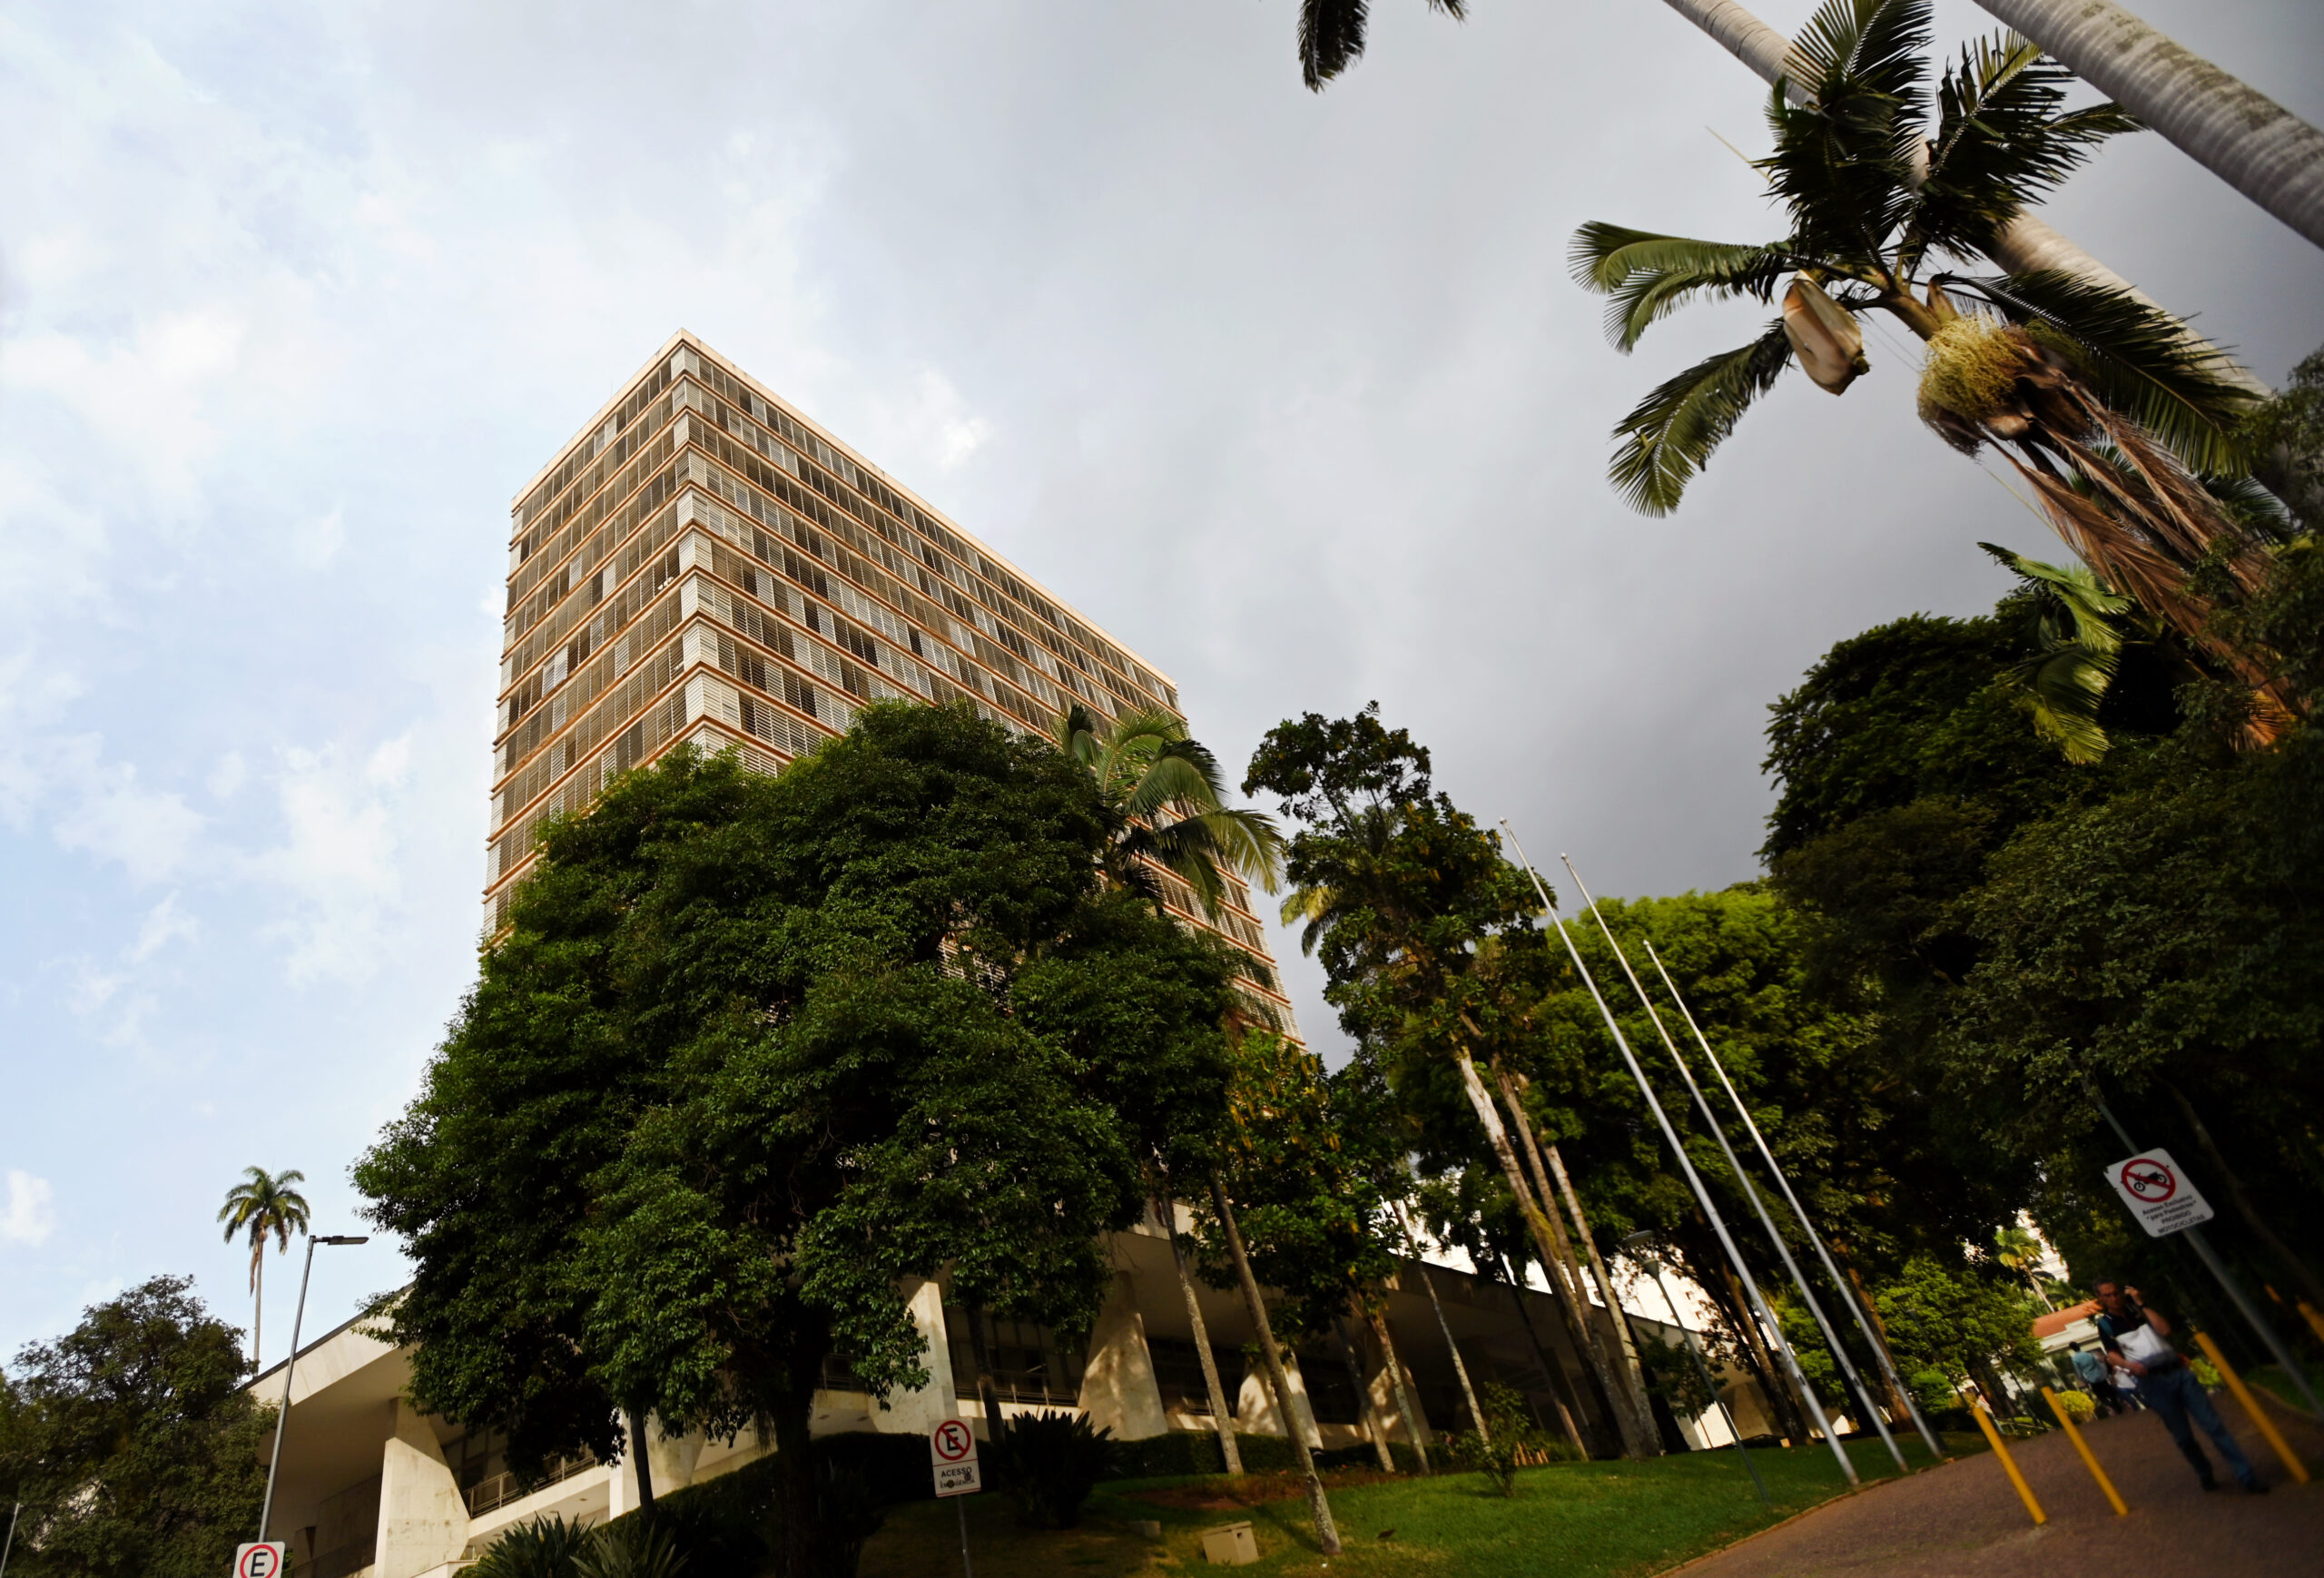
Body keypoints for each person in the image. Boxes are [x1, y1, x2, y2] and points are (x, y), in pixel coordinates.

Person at [2093, 1280, 2264, 1493]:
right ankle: (2204, 1472)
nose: (2114, 1298)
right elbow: (2112, 1355)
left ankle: (2245, 1475)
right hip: (2153, 1381)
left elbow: (2164, 1330)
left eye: (2116, 1293)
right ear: (2100, 1299)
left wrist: (2141, 1304)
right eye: (2108, 1295)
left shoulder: (2138, 1311)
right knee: (2183, 1436)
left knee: (2213, 1425)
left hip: (2178, 1372)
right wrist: (2129, 1365)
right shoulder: (2106, 1324)